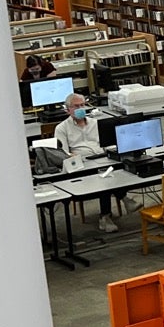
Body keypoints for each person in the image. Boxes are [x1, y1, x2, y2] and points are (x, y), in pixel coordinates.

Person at [54, 94, 122, 232]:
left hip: (102, 157)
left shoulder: (95, 123)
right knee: (104, 179)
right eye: (76, 106)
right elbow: (63, 154)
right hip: (82, 163)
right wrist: (75, 157)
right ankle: (107, 215)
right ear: (68, 109)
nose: (80, 108)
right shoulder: (61, 128)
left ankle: (122, 198)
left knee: (122, 167)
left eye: (82, 105)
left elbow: (105, 143)